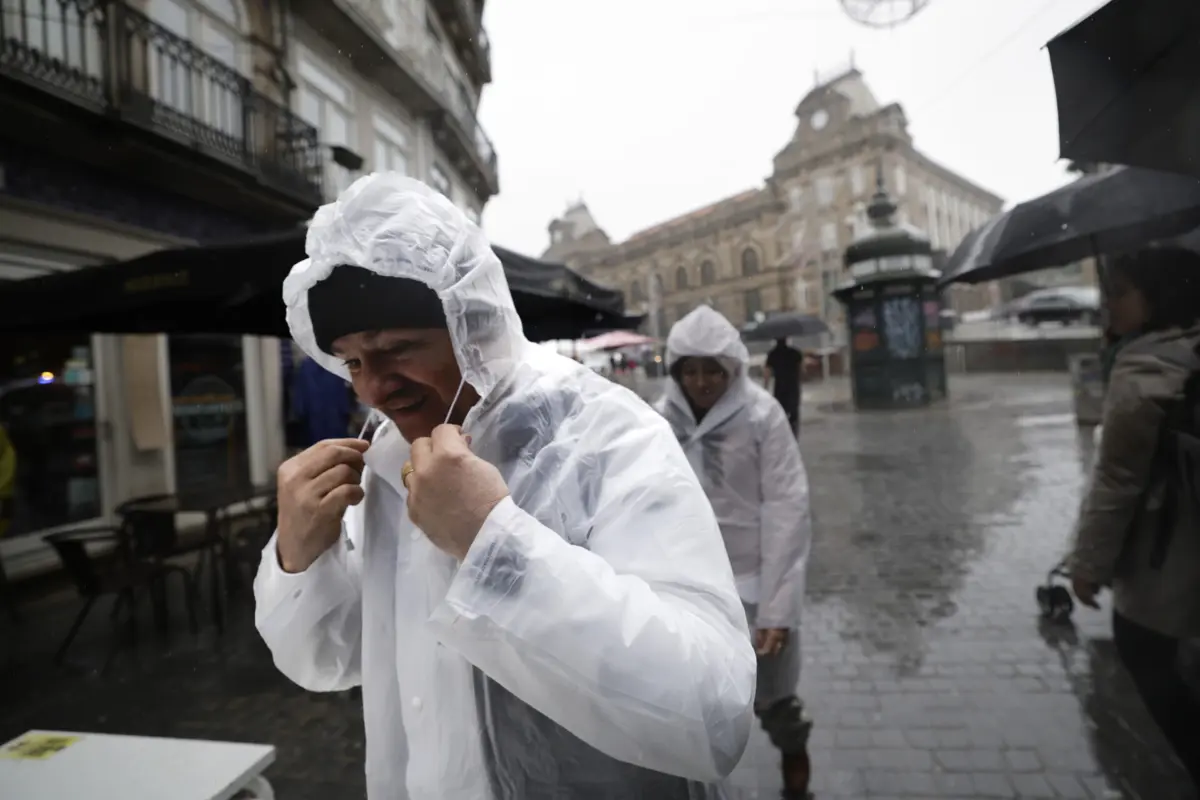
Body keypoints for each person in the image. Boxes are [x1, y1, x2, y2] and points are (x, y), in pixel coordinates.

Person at [253, 173, 756, 800]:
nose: (374, 388)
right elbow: (330, 661)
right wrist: (300, 559)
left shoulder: (602, 435)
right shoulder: (387, 459)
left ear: (475, 328)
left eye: (398, 349)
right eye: (353, 362)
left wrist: (494, 545)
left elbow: (714, 716)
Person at [656, 306, 814, 800]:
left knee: (773, 697)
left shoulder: (763, 416)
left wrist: (778, 607)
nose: (702, 381)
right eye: (690, 369)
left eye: (713, 369)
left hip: (753, 584)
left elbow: (787, 507)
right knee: (688, 701)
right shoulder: (658, 422)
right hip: (685, 589)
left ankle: (794, 759)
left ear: (733, 369)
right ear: (676, 370)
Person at [1069, 247, 1200, 790]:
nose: (1108, 306)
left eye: (1120, 293)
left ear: (1156, 295)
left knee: (1141, 643)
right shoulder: (1186, 343)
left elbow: (1117, 481)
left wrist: (1086, 564)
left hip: (1168, 543)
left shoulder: (1145, 366)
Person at [764, 338, 804, 436]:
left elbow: (767, 373)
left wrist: (765, 387)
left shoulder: (772, 354)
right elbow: (802, 371)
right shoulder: (796, 353)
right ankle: (794, 435)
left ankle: (782, 434)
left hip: (779, 388)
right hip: (793, 387)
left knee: (780, 413)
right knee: (794, 413)